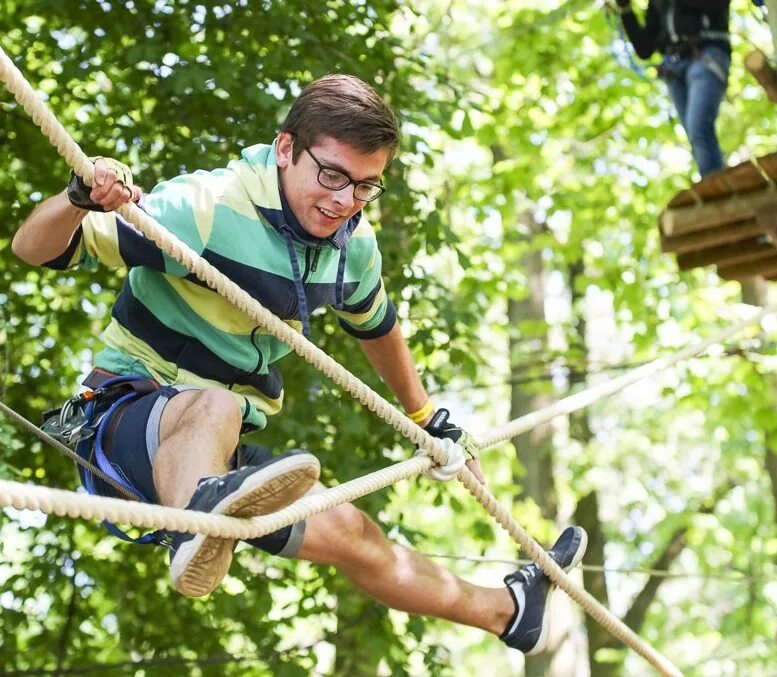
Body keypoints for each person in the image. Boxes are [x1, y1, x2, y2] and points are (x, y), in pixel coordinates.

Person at [12, 74, 587, 655]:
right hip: (127, 415)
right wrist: (77, 199)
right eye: (332, 175)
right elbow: (33, 248)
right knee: (215, 403)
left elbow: (378, 325)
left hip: (217, 451)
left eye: (365, 186)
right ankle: (196, 523)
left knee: (356, 535)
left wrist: (423, 415)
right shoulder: (207, 208)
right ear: (286, 149)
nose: (344, 200)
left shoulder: (351, 248)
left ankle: (508, 611)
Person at [614, 0, 731, 177]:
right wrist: (625, 10)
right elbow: (645, 49)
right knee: (695, 137)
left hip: (706, 55)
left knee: (698, 129)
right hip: (674, 69)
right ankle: (715, 184)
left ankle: (717, 189)